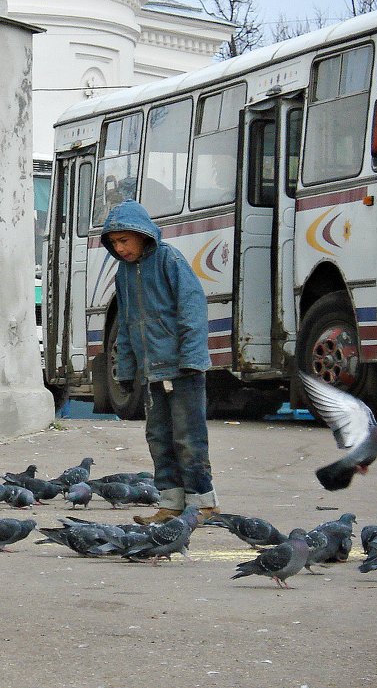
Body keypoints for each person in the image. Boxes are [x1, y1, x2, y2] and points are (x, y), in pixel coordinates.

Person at [100, 200, 219, 524]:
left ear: (142, 235)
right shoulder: (124, 274)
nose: (120, 248)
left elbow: (192, 308)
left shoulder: (169, 260)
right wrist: (124, 369)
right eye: (114, 243)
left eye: (124, 240)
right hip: (152, 373)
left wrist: (192, 358)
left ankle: (203, 502)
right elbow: (124, 324)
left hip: (184, 369)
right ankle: (171, 504)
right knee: (158, 438)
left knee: (188, 436)